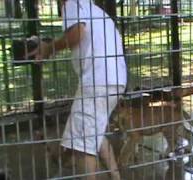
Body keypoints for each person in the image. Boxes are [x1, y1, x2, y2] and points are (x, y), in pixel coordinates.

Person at [31, 0, 127, 179]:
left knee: (82, 145)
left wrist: (50, 49)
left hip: (97, 81)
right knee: (92, 134)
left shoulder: (72, 4)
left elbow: (77, 33)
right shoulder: (97, 11)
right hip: (115, 80)